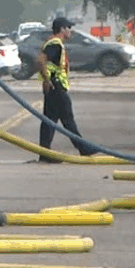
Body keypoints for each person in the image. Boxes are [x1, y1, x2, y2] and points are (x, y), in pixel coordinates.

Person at [36, 17, 97, 162]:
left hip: (54, 86)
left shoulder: (53, 43)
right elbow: (40, 60)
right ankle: (83, 149)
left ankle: (44, 154)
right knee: (67, 120)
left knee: (49, 121)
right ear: (62, 29)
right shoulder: (55, 44)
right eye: (68, 27)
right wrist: (47, 79)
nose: (71, 30)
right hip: (56, 86)